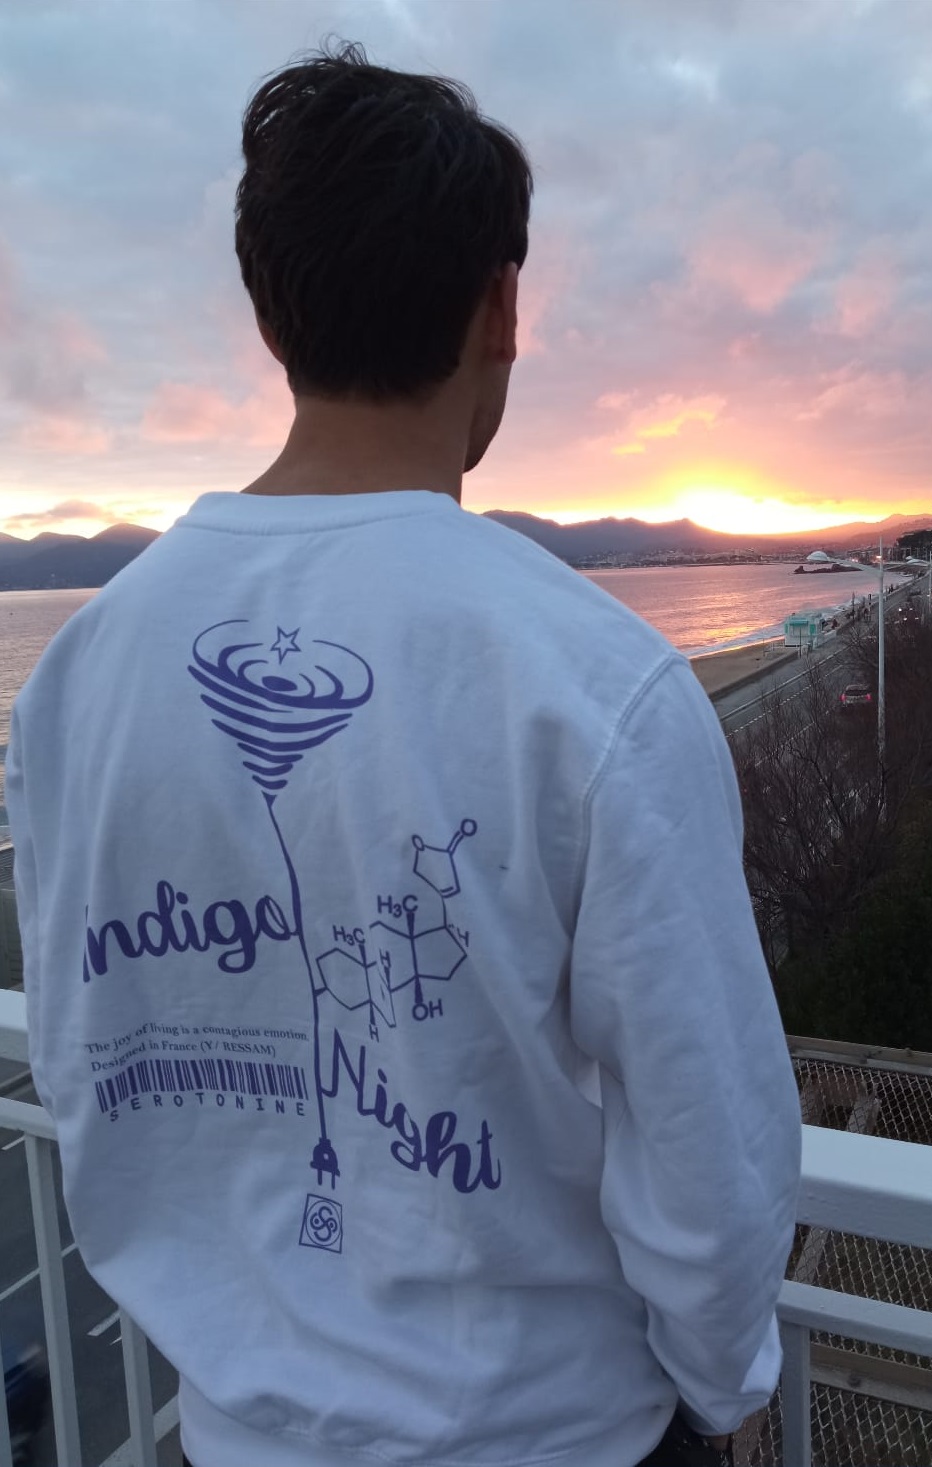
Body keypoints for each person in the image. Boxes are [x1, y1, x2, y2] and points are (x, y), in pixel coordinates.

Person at [7, 43, 801, 1467]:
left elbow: (86, 1056)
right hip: (556, 1434)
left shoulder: (83, 672)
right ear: (501, 306)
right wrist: (719, 1387)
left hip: (224, 1434)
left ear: (271, 313)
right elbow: (709, 1140)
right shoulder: (594, 677)